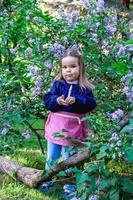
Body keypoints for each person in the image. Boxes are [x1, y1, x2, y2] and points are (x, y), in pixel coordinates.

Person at [38, 44, 96, 199]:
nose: (68, 70)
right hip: (56, 127)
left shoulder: (84, 88)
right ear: (61, 69)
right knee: (52, 156)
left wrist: (76, 100)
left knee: (69, 158)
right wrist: (57, 100)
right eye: (65, 67)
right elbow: (47, 102)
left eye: (72, 66)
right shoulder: (58, 85)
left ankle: (69, 185)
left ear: (80, 68)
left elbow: (91, 104)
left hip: (73, 131)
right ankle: (47, 180)